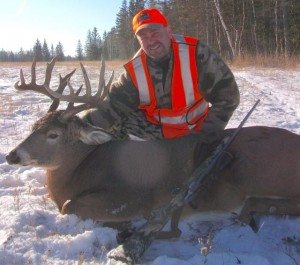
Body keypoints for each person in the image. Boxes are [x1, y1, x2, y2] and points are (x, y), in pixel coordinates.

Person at [84, 7, 240, 144]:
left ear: (168, 31)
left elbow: (228, 97)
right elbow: (113, 107)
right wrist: (79, 124)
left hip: (195, 129)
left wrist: (206, 134)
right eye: (143, 37)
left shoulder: (197, 53)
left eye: (155, 32)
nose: (151, 41)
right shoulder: (135, 70)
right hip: (154, 132)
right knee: (110, 137)